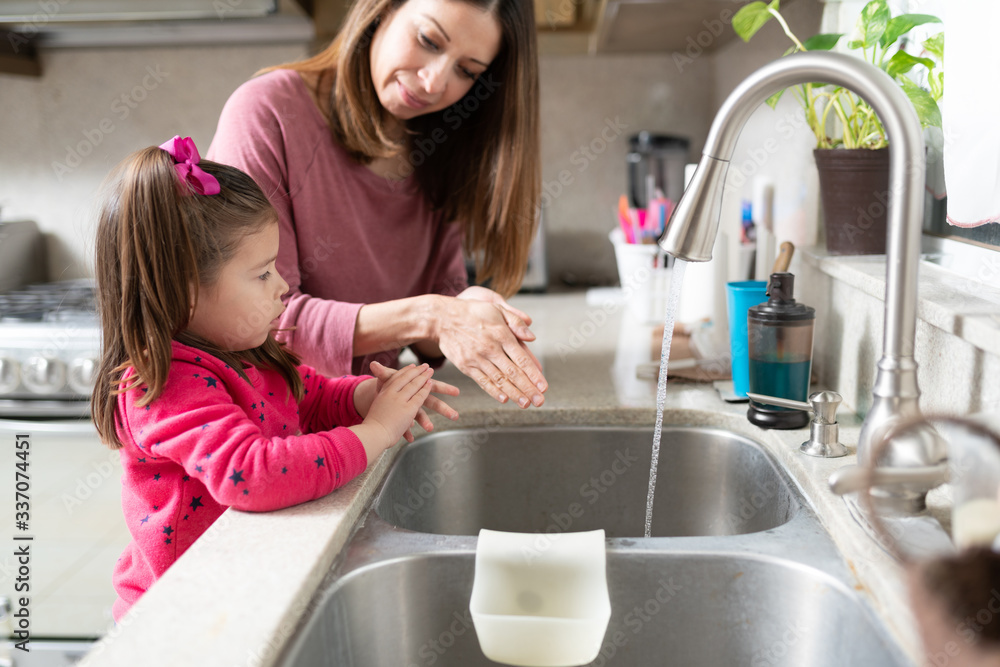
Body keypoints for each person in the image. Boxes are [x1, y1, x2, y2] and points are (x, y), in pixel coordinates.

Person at [90, 136, 458, 620]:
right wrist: (376, 432)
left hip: (241, 587)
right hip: (181, 615)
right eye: (262, 273)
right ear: (184, 290)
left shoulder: (240, 349)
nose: (283, 285)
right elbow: (254, 474)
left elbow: (308, 397)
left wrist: (367, 396)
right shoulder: (164, 384)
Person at [207, 0, 549, 410]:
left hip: (368, 417)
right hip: (270, 430)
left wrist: (463, 309)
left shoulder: (439, 141)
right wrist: (432, 315)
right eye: (427, 40)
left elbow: (431, 321)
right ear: (382, 9)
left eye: (467, 71)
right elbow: (258, 318)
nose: (434, 82)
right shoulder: (266, 112)